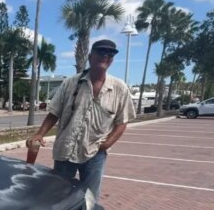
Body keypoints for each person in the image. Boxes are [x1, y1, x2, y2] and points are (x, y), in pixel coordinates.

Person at [27, 39, 135, 201]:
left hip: (95, 154)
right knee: (59, 195)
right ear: (91, 57)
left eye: (110, 54)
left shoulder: (120, 89)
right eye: (101, 52)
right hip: (66, 150)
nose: (105, 56)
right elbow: (54, 112)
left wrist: (106, 144)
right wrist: (40, 134)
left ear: (112, 60)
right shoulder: (71, 83)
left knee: (90, 198)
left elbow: (122, 122)